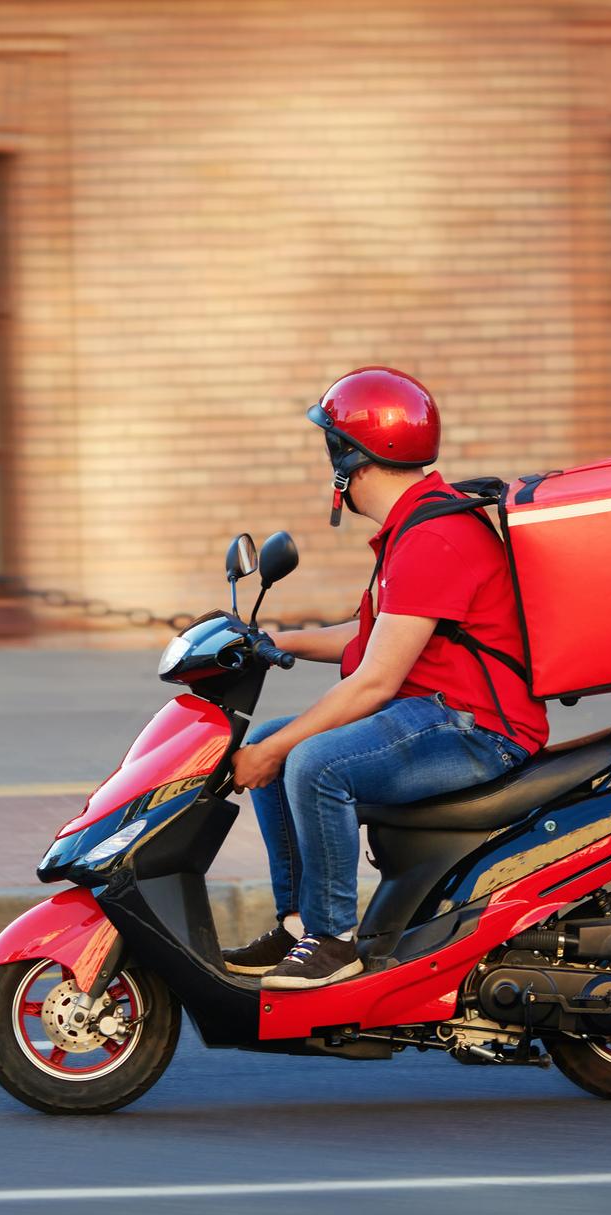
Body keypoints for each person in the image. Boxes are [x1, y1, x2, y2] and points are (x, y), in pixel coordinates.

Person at [221, 367, 551, 991]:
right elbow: (371, 636)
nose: (329, 466)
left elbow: (373, 681)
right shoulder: (415, 527)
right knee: (275, 736)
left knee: (311, 760)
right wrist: (273, 642)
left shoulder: (435, 537)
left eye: (331, 448)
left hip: (477, 728)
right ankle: (298, 929)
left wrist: (271, 752)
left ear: (351, 458)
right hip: (437, 712)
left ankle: (331, 941)